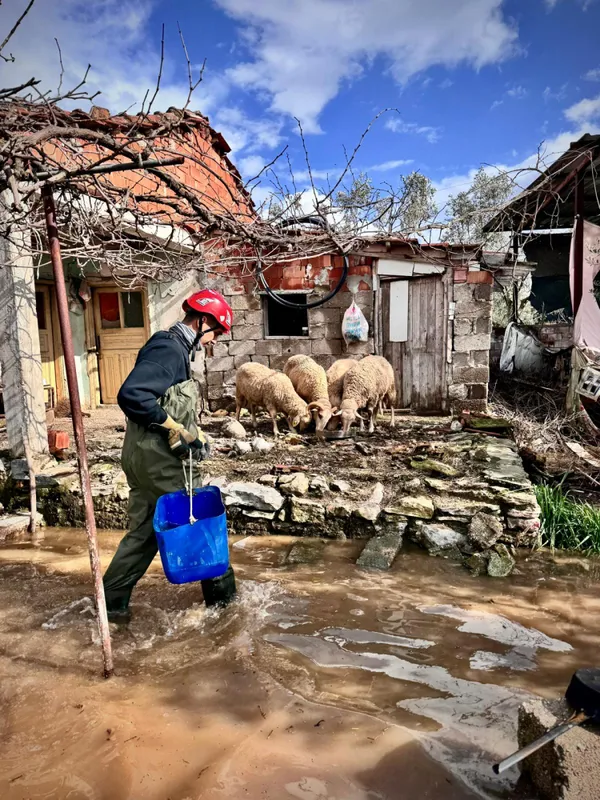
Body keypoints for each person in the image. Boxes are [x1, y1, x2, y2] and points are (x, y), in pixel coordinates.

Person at [102, 289, 234, 622]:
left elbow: (166, 401)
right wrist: (173, 427)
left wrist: (194, 433)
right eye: (216, 332)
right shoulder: (169, 349)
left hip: (143, 457)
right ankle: (228, 611)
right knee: (202, 525)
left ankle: (109, 606)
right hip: (158, 463)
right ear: (202, 320)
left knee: (144, 534)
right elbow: (133, 395)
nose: (215, 340)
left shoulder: (174, 348)